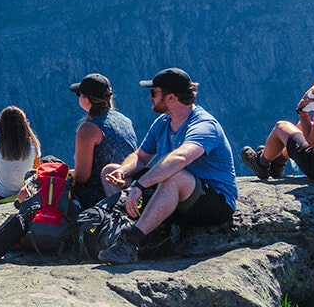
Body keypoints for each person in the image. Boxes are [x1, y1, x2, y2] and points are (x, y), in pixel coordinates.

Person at [98, 68, 237, 265]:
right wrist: (123, 171)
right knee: (109, 171)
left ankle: (131, 242)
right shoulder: (163, 123)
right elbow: (141, 156)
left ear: (170, 97)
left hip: (214, 201)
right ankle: (130, 229)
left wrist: (140, 185)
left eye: (154, 93)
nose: (150, 97)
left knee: (173, 176)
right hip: (181, 195)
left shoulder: (204, 125)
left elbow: (180, 158)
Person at [241, 53, 314, 181]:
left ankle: (261, 163)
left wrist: (303, 111)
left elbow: (313, 143)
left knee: (281, 126)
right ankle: (278, 162)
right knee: (301, 128)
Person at [69, 74, 138, 209]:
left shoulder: (88, 129)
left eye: (79, 94)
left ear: (86, 99)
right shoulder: (124, 120)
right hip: (126, 189)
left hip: (99, 197)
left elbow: (82, 177)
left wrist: (68, 173)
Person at [0, 106, 40, 206]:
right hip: (26, 192)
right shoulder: (33, 144)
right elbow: (36, 168)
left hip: (2, 194)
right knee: (44, 161)